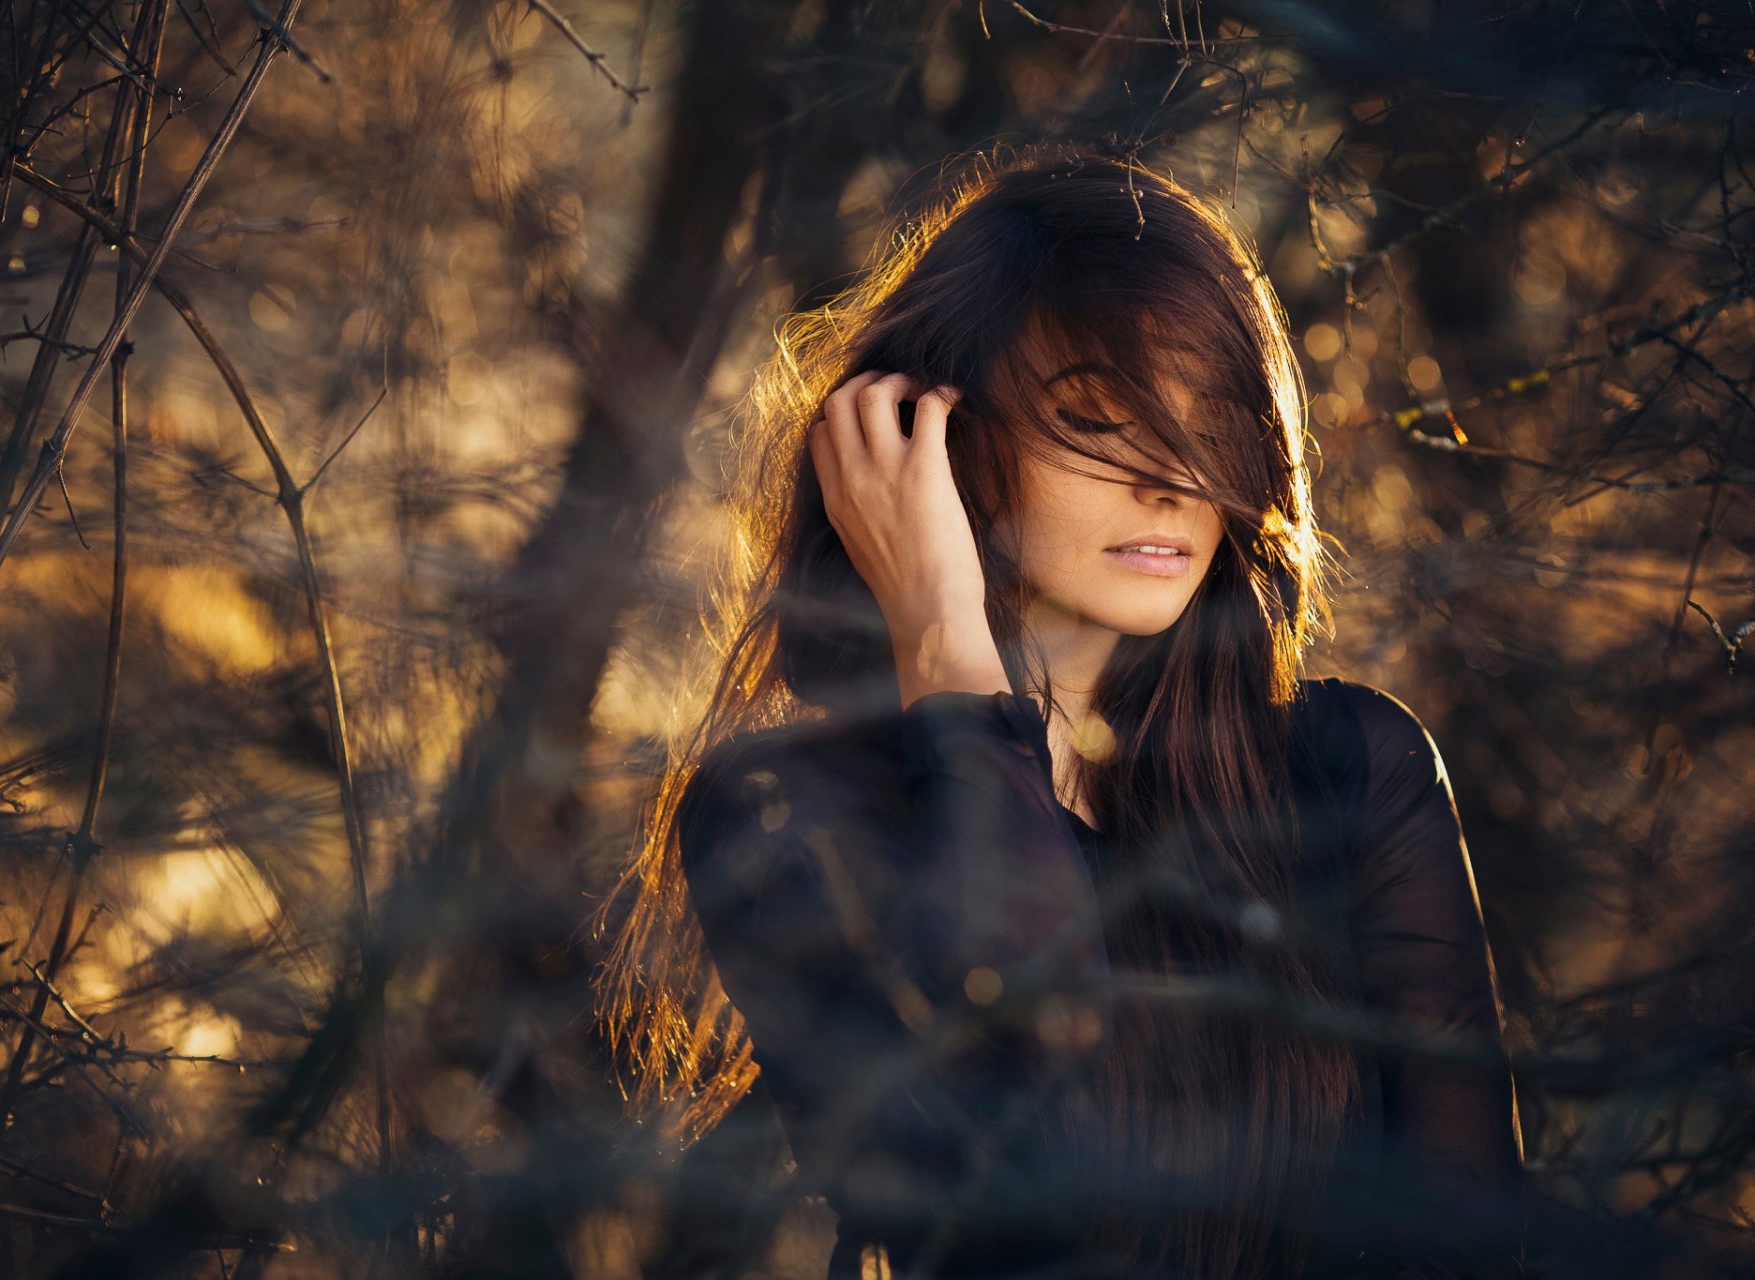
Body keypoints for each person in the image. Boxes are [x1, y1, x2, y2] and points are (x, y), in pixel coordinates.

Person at [589, 142, 1527, 1280]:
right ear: (940, 438)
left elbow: (1469, 1241)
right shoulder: (789, 814)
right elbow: (1023, 1181)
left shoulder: (1355, 771)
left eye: (1211, 419)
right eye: (1097, 417)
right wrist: (944, 642)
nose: (1174, 477)